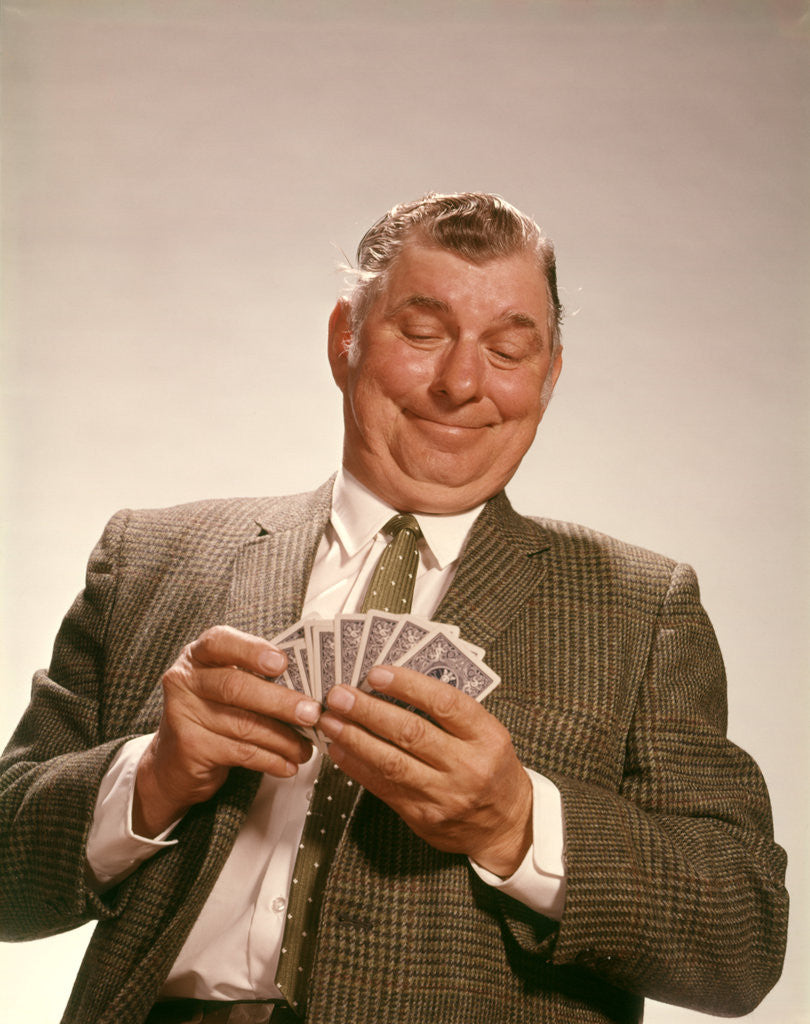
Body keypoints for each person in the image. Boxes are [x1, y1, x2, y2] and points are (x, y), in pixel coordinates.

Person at [0, 193, 788, 1024]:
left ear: (550, 374)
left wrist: (519, 823)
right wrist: (152, 776)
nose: (460, 383)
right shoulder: (150, 557)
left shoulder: (641, 607)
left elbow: (743, 942)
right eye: (422, 334)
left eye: (510, 349)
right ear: (345, 337)